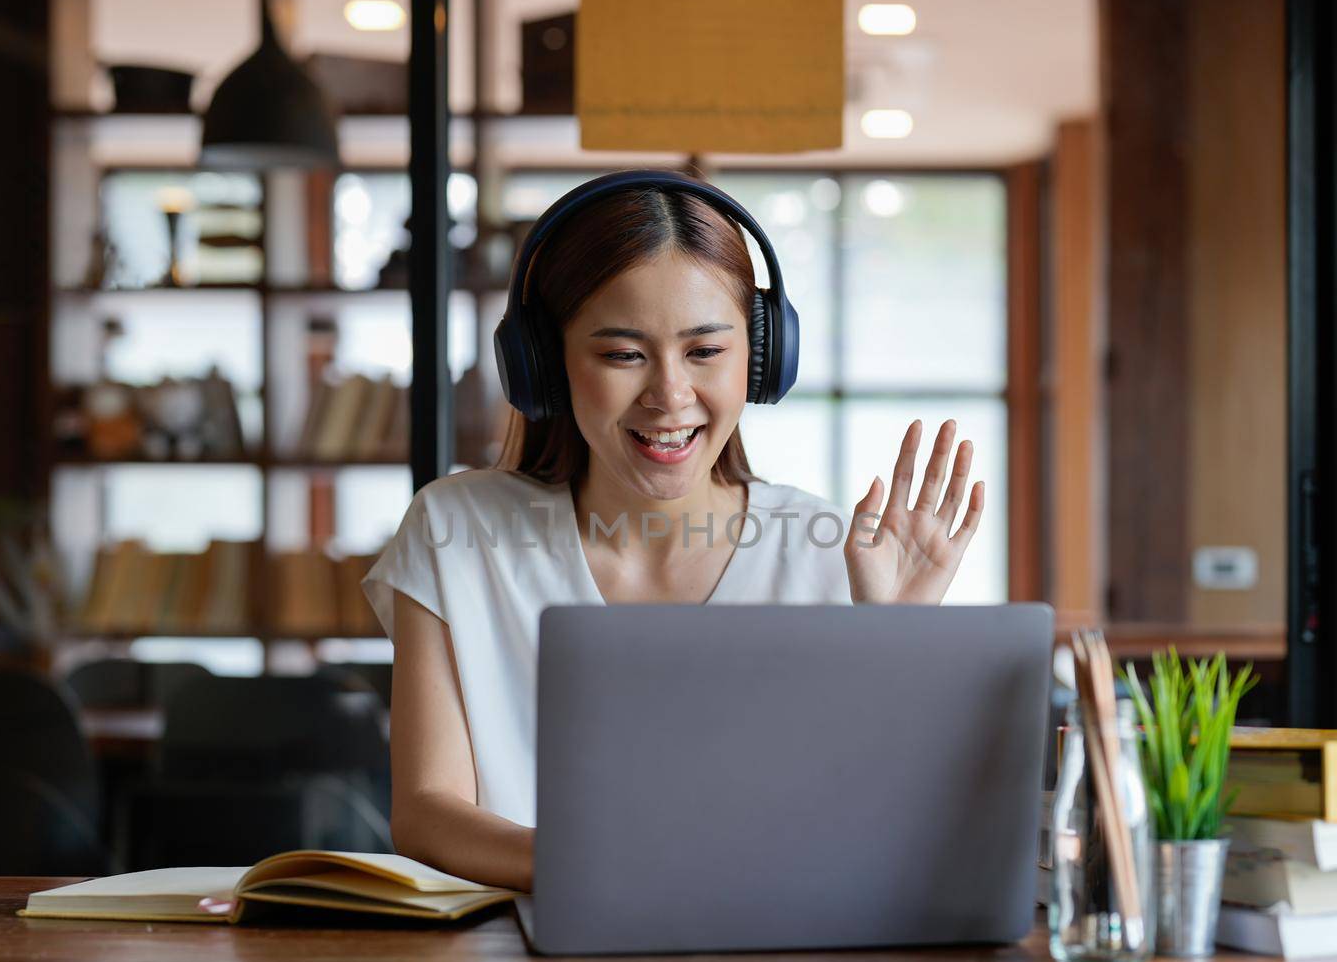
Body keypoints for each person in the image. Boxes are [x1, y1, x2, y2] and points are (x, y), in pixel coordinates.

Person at [363, 170, 986, 891]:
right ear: (544, 363)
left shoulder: (824, 548)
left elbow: (887, 837)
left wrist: (899, 640)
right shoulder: (456, 532)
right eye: (623, 354)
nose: (670, 396)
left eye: (705, 351)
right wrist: (605, 868)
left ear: (759, 359)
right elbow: (427, 812)